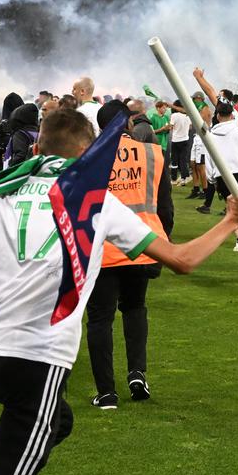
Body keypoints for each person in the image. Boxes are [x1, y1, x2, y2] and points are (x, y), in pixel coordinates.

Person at [0, 108, 238, 475]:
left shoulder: (5, 188)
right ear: (89, 157)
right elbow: (181, 259)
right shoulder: (99, 203)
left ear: (36, 147)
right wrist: (232, 220)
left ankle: (20, 449)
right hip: (38, 362)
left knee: (57, 423)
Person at [86, 101, 175, 410]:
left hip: (102, 249)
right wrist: (165, 241)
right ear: (126, 123)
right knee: (135, 309)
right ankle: (137, 373)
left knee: (100, 318)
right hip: (143, 243)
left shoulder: (88, 158)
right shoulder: (152, 152)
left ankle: (106, 392)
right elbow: (164, 205)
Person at [196, 101, 238, 253]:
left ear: (217, 115)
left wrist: (211, 178)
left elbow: (208, 157)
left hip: (221, 174)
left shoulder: (210, 135)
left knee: (232, 209)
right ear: (232, 115)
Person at [168, 102, 192, 184]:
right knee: (183, 160)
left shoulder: (174, 115)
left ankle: (173, 179)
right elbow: (190, 127)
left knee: (174, 160)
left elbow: (170, 127)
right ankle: (183, 178)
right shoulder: (188, 115)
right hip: (185, 140)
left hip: (175, 140)